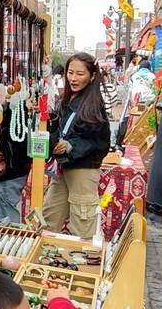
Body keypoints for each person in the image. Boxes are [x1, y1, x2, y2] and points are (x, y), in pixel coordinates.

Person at [43, 53, 111, 238]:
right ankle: (45, 259)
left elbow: (100, 142)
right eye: (70, 72)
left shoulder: (94, 104)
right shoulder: (67, 98)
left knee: (83, 225)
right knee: (49, 217)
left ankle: (84, 262)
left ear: (92, 76)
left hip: (83, 169)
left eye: (80, 74)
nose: (73, 78)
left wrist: (70, 146)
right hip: (64, 166)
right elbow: (59, 128)